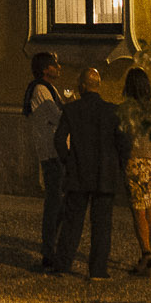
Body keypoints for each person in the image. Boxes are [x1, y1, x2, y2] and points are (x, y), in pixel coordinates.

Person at [52, 66, 125, 279]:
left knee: (72, 222)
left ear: (82, 86)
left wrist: (68, 160)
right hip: (104, 174)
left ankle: (63, 264)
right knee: (102, 225)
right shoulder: (113, 111)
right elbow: (123, 143)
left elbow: (58, 140)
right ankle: (98, 270)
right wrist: (118, 165)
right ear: (98, 85)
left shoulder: (72, 110)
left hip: (78, 173)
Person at [22, 52, 67, 269]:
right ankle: (49, 251)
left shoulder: (48, 89)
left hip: (55, 151)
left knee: (58, 201)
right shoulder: (40, 90)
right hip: (51, 152)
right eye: (54, 65)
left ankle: (54, 246)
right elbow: (56, 116)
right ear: (44, 69)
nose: (58, 67)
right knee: (54, 202)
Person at [119, 65, 151, 276]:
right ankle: (148, 248)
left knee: (138, 210)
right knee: (148, 206)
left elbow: (124, 136)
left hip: (134, 162)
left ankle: (146, 253)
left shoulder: (127, 109)